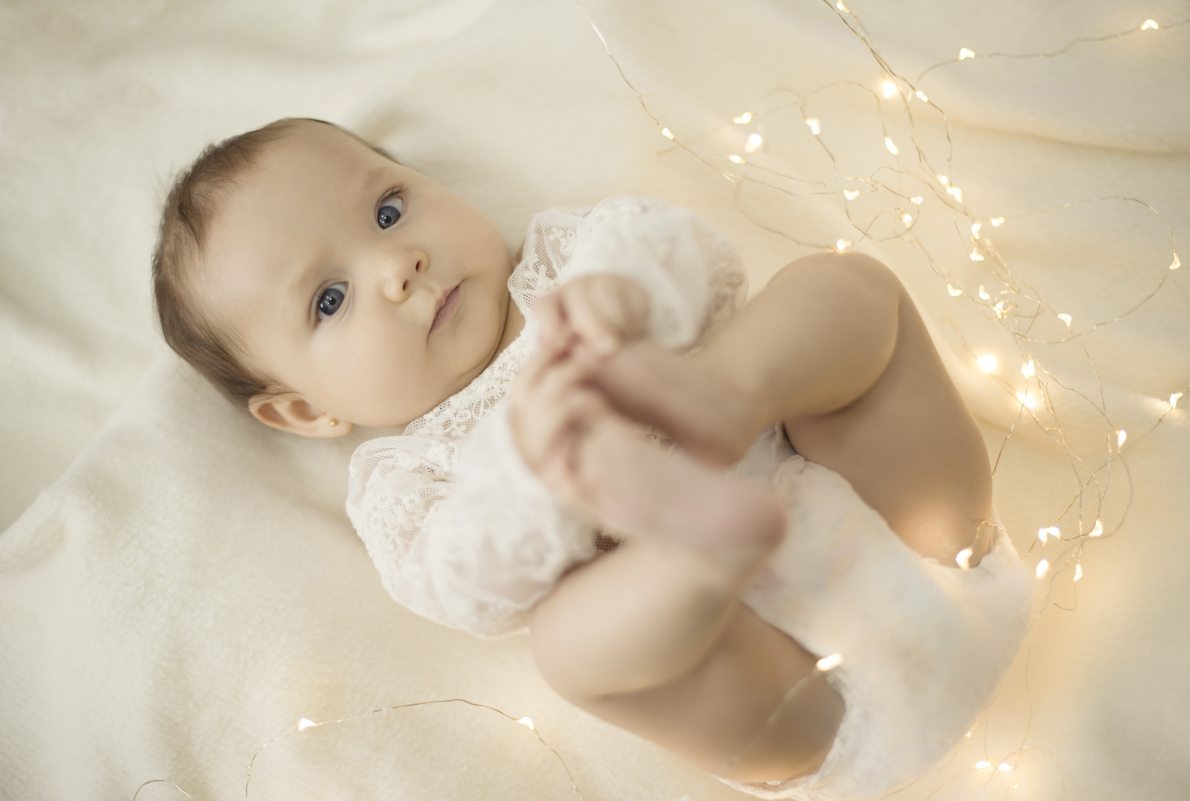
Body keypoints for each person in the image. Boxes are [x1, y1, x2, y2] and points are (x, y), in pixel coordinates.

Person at [153, 117, 1031, 798]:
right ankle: (698, 547)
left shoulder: (567, 261)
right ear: (305, 410)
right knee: (570, 643)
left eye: (388, 210)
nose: (398, 264)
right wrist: (534, 473)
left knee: (845, 287)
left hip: (914, 521)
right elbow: (463, 587)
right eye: (330, 299)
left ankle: (725, 391)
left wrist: (632, 299)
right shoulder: (404, 480)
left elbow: (694, 257)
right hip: (797, 699)